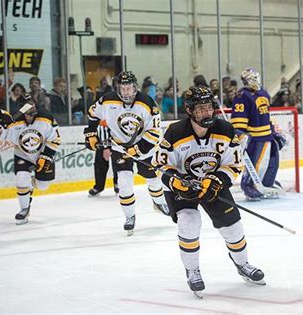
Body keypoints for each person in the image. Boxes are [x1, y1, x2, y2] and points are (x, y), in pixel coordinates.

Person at [157, 86, 265, 298]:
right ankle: (192, 271)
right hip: (183, 185)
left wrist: (217, 180)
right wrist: (179, 183)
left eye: (209, 108)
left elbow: (233, 165)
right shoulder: (175, 132)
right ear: (189, 110)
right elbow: (160, 167)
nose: (206, 113)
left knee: (233, 227)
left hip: (212, 184)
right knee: (189, 221)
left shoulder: (226, 129)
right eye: (200, 109)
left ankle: (243, 264)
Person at [83, 71, 169, 236]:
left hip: (144, 148)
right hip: (119, 148)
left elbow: (155, 132)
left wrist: (137, 149)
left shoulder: (146, 103)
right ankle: (130, 217)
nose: (126, 92)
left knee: (152, 179)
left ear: (135, 87)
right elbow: (92, 115)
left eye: (129, 88)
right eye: (122, 88)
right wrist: (91, 134)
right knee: (123, 183)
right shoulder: (108, 100)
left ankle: (159, 203)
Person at [0, 94, 60, 224]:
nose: (32, 106)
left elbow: (55, 140)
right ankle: (24, 209)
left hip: (42, 154)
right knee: (21, 179)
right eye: (27, 104)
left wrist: (45, 157)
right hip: (23, 155)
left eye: (32, 103)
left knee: (42, 186)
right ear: (21, 108)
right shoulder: (13, 121)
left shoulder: (46, 118)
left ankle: (30, 185)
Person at [231, 68, 282, 201]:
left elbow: (266, 115)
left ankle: (266, 183)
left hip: (268, 136)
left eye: (256, 78)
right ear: (245, 81)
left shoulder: (264, 93)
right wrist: (240, 135)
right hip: (255, 138)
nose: (255, 81)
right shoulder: (241, 96)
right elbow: (239, 120)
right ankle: (250, 187)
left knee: (272, 161)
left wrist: (273, 131)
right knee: (256, 163)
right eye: (252, 79)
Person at [88, 122, 119, 197]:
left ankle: (118, 184)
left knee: (119, 163)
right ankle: (99, 187)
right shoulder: (100, 112)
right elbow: (100, 127)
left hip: (117, 142)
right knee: (100, 165)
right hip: (103, 143)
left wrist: (105, 147)